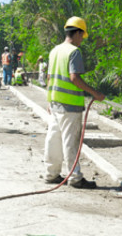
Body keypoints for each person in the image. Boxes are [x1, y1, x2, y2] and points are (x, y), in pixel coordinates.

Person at [44, 16, 105, 189]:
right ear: (77, 33)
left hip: (55, 103)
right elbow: (74, 78)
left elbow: (49, 78)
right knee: (70, 142)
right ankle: (75, 177)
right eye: (82, 36)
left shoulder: (54, 50)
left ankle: (51, 173)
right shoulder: (74, 52)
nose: (81, 40)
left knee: (53, 140)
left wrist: (49, 100)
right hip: (70, 106)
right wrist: (95, 93)